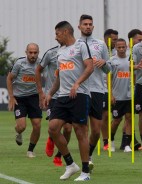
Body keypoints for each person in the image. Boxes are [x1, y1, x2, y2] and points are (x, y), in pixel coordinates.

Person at [46, 21, 93, 181]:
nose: (56, 37)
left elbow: (90, 67)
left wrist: (77, 83)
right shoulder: (60, 51)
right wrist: (51, 93)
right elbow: (59, 77)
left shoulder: (81, 46)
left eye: (57, 33)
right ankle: (71, 164)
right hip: (62, 96)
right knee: (52, 128)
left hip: (80, 95)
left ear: (66, 32)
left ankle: (85, 172)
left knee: (80, 131)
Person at [77, 14, 111, 172]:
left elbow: (109, 68)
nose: (88, 26)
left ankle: (88, 154)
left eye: (90, 24)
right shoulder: (75, 45)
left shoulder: (100, 44)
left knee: (96, 130)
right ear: (79, 27)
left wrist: (104, 63)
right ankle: (84, 163)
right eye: (85, 24)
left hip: (98, 90)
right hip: (81, 91)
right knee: (82, 129)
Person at [35, 45, 72, 166]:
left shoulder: (75, 51)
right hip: (53, 97)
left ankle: (59, 155)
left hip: (67, 95)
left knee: (67, 129)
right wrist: (41, 93)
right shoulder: (50, 53)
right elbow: (38, 70)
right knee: (54, 127)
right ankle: (51, 138)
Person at [6, 43, 42, 158]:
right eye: (30, 52)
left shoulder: (41, 63)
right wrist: (11, 97)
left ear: (38, 53)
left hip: (34, 97)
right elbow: (9, 78)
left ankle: (30, 150)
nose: (33, 55)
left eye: (35, 52)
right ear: (26, 52)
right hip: (19, 98)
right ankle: (18, 132)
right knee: (22, 126)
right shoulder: (19, 63)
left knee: (37, 125)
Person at [119, 28, 142, 151]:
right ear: (131, 40)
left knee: (130, 116)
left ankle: (128, 142)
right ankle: (128, 141)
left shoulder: (139, 52)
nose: (141, 42)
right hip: (126, 90)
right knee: (127, 116)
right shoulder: (127, 54)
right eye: (139, 40)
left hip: (136, 88)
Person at [108, 38, 133, 152]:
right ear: (116, 48)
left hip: (129, 95)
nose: (122, 49)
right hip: (117, 96)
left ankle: (127, 144)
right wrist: (111, 95)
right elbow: (109, 79)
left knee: (129, 118)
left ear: (126, 47)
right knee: (117, 120)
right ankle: (111, 140)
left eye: (123, 47)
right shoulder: (112, 61)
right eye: (119, 47)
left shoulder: (131, 60)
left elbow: (135, 75)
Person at [101, 28, 119, 151]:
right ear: (107, 39)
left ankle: (126, 140)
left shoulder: (118, 52)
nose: (116, 42)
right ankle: (105, 141)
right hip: (101, 87)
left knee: (120, 116)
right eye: (114, 40)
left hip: (116, 88)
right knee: (105, 115)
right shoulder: (100, 50)